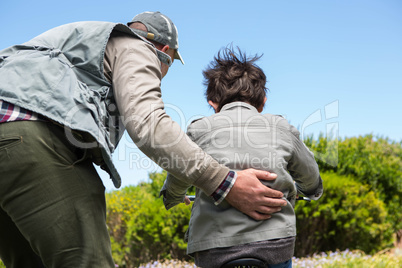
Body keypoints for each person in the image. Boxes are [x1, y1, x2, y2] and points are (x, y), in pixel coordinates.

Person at [0, 12, 286, 268]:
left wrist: (175, 193)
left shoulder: (73, 46)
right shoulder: (135, 46)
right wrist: (226, 183)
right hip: (29, 137)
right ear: (164, 51)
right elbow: (148, 124)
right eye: (170, 64)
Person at [161, 46, 323, 268]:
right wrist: (310, 191)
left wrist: (174, 197)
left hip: (215, 250)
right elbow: (311, 177)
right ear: (263, 101)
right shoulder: (282, 127)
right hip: (274, 246)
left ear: (212, 103)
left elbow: (179, 177)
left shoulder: (199, 130)